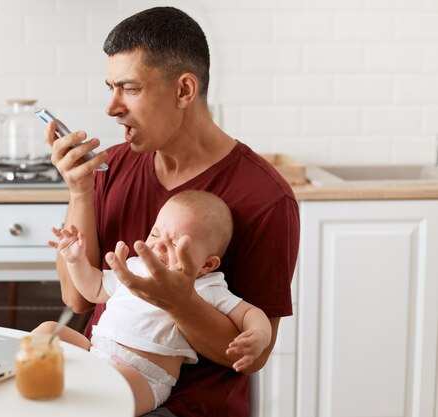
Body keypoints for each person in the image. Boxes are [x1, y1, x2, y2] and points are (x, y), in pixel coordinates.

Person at [43, 6, 300, 417]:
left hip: (183, 405)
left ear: (184, 90)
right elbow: (77, 298)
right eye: (111, 87)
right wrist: (79, 191)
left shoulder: (265, 198)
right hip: (97, 374)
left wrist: (180, 302)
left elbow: (252, 355)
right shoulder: (109, 167)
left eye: (129, 88)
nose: (112, 107)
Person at [34, 190, 272, 416]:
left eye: (174, 243)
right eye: (155, 234)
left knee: (103, 395)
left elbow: (249, 312)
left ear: (207, 265)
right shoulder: (136, 266)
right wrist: (76, 261)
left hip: (143, 377)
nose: (157, 245)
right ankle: (22, 380)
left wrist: (259, 334)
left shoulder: (206, 286)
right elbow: (95, 289)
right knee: (46, 331)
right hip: (95, 350)